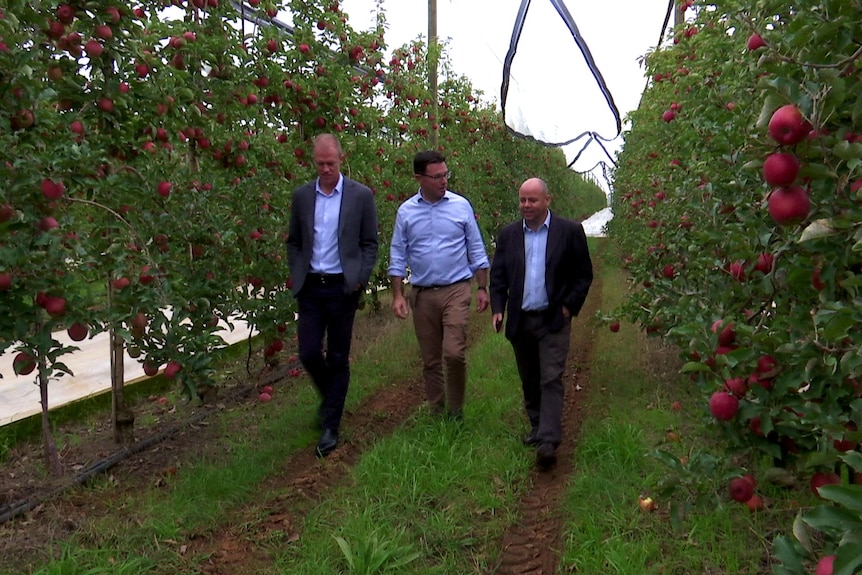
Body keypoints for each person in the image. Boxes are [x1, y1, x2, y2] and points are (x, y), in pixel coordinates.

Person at [489, 177, 593, 469]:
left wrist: (568, 307)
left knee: (550, 377)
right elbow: (498, 277)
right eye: (522, 200)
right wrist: (498, 308)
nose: (526, 205)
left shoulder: (569, 231)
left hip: (553, 318)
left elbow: (583, 274)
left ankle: (549, 440)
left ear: (547, 200)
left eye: (532, 200)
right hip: (521, 319)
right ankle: (536, 425)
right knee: (530, 377)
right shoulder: (509, 235)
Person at [286, 134, 379, 458]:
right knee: (309, 352)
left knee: (338, 356)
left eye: (331, 163)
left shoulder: (360, 196)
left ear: (341, 158)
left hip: (342, 286)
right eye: (320, 164)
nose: (325, 169)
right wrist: (296, 270)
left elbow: (370, 243)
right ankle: (332, 400)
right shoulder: (302, 197)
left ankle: (331, 426)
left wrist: (359, 279)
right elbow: (294, 241)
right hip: (311, 286)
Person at [389, 150, 490, 420]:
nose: (443, 181)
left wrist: (482, 287)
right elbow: (398, 254)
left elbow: (476, 247)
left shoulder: (461, 206)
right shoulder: (406, 212)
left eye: (445, 175)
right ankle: (437, 411)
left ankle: (456, 411)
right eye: (436, 177)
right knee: (431, 360)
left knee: (454, 353)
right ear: (419, 178)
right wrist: (398, 295)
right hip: (422, 294)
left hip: (456, 289)